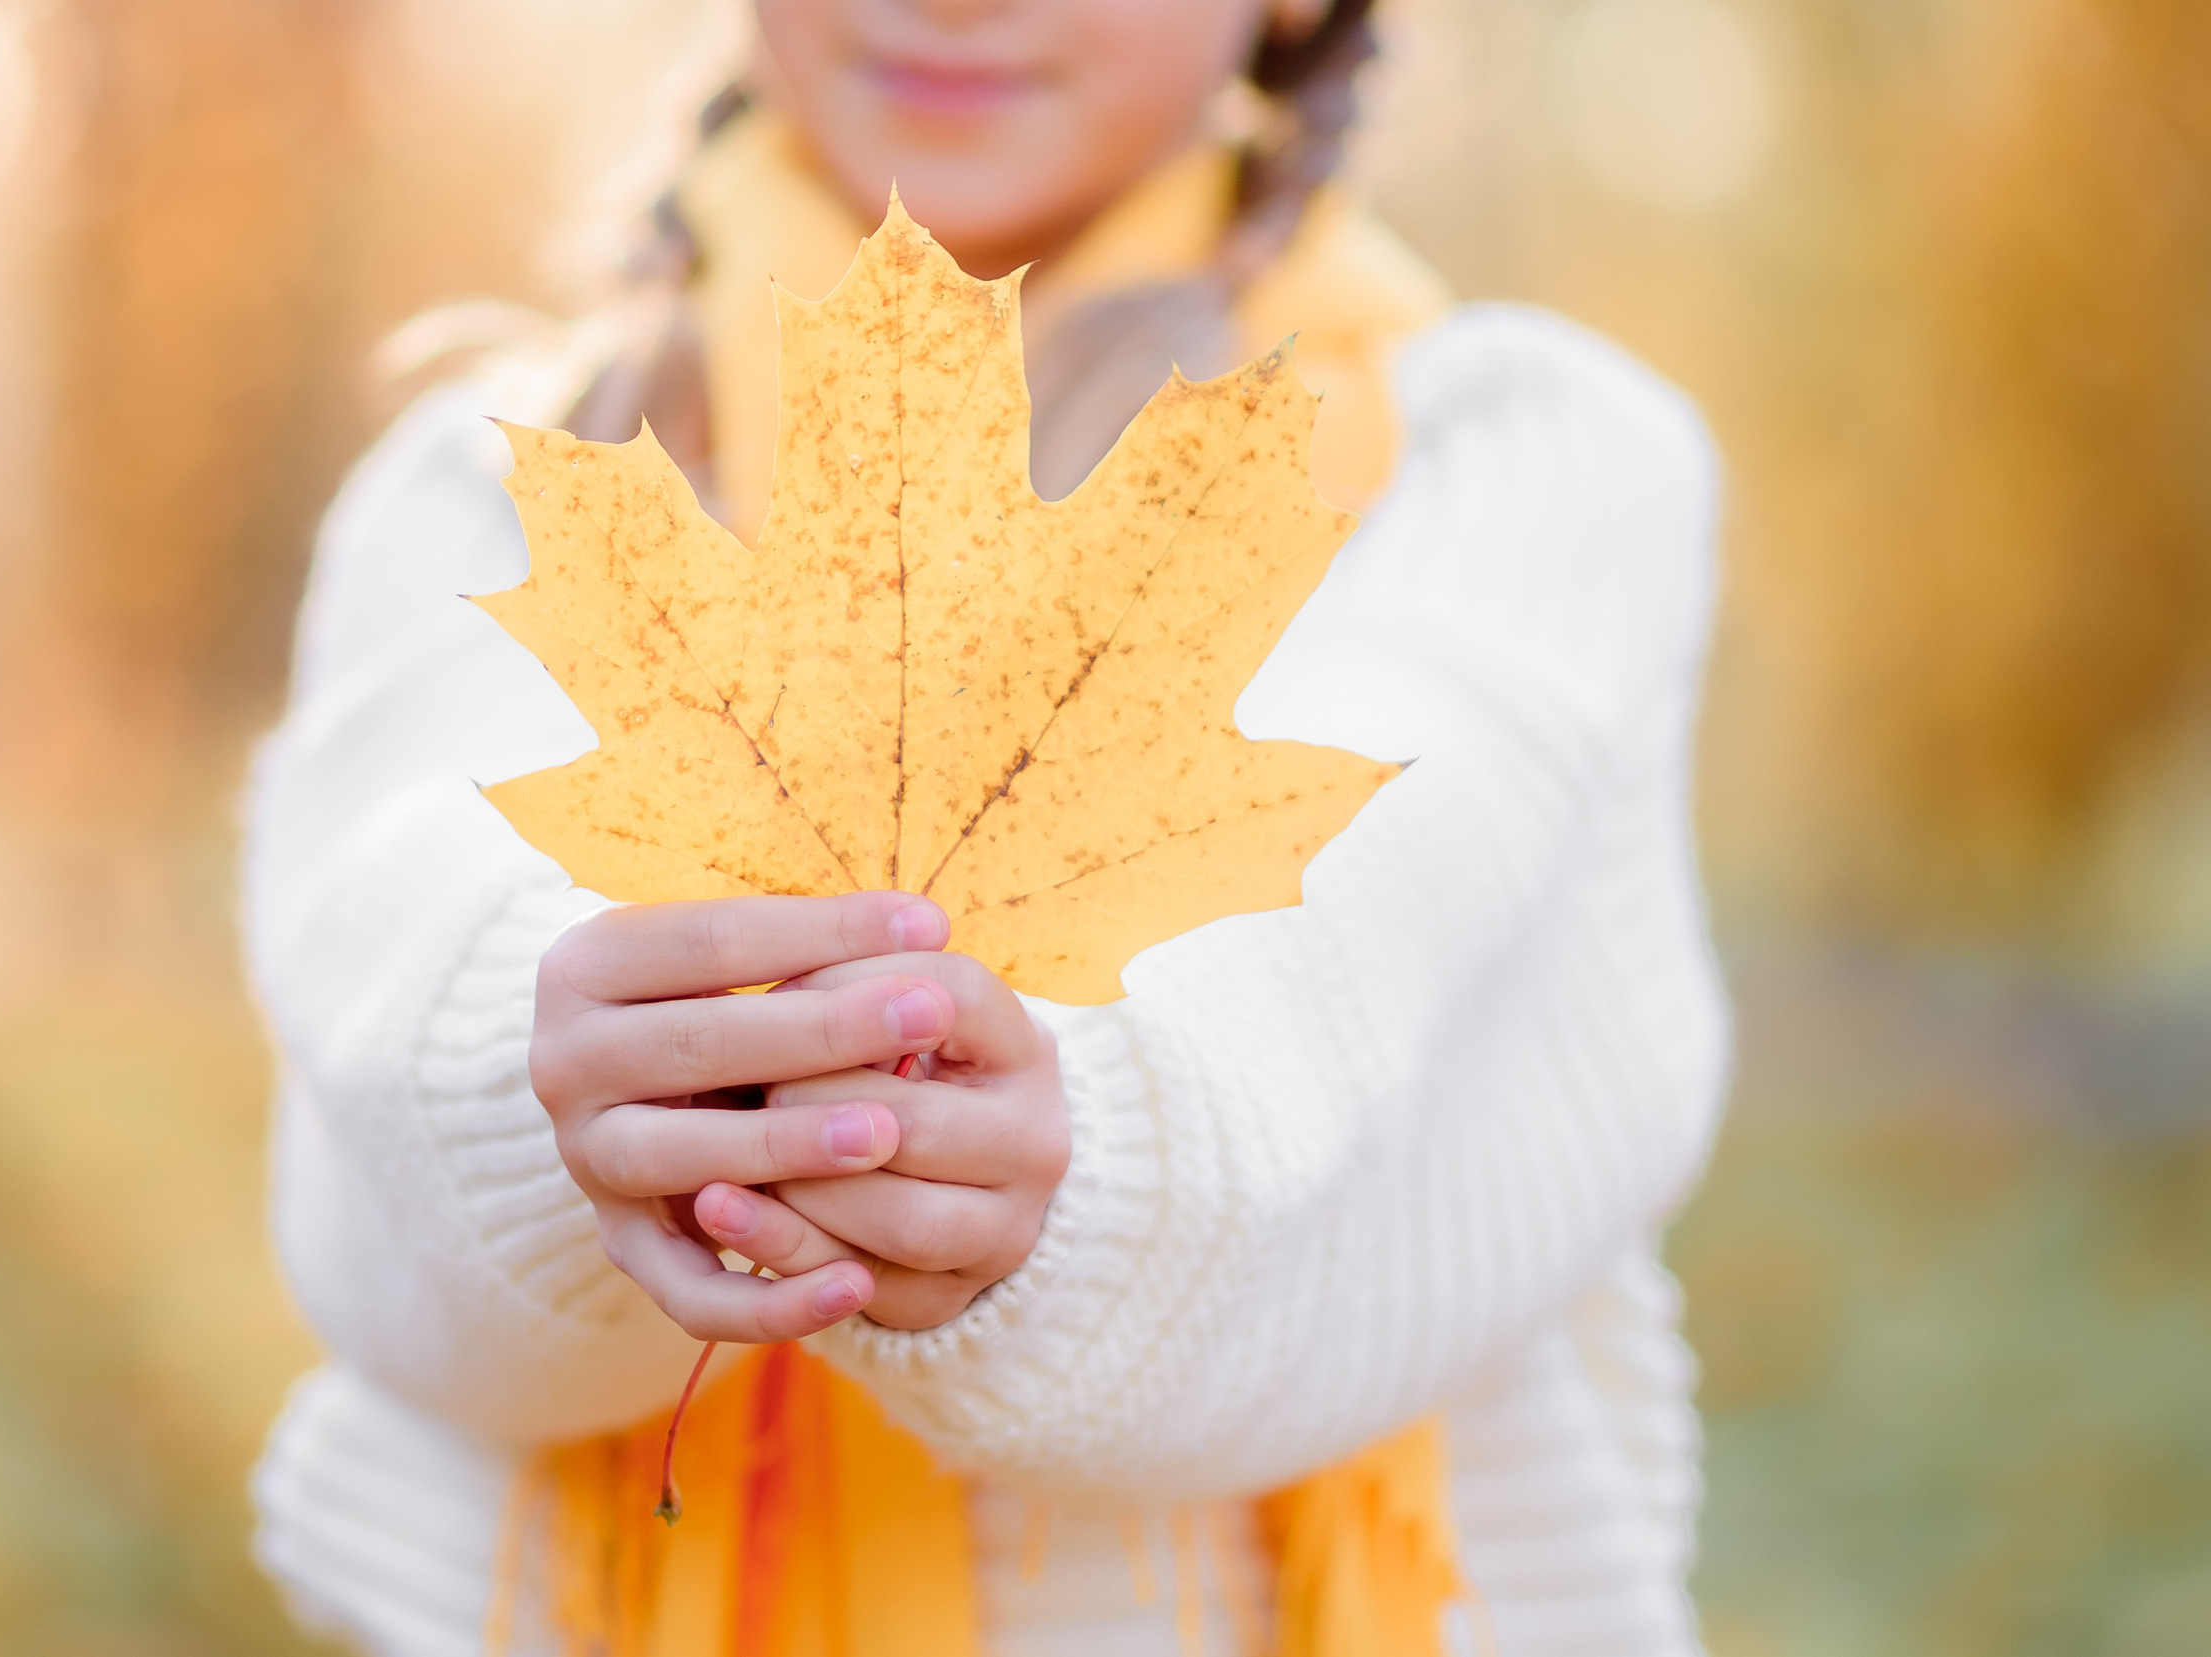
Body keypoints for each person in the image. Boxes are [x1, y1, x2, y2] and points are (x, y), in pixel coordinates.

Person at [242, 0, 1730, 1652]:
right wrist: (583, 1094)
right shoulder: (497, 488)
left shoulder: (1510, 463)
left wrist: (1055, 1157)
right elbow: (393, 1069)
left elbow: (1368, 969)